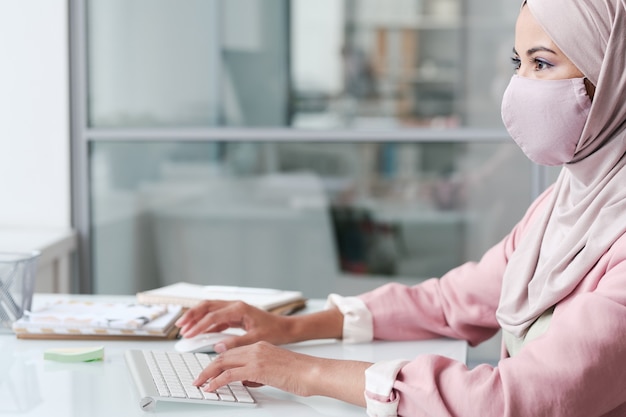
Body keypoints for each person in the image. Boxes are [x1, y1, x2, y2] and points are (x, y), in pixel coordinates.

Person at [175, 0, 626, 415]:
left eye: (542, 63)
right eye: (518, 62)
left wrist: (304, 372)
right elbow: (451, 302)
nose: (519, 86)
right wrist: (290, 329)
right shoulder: (566, 201)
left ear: (610, 76)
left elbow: (510, 400)